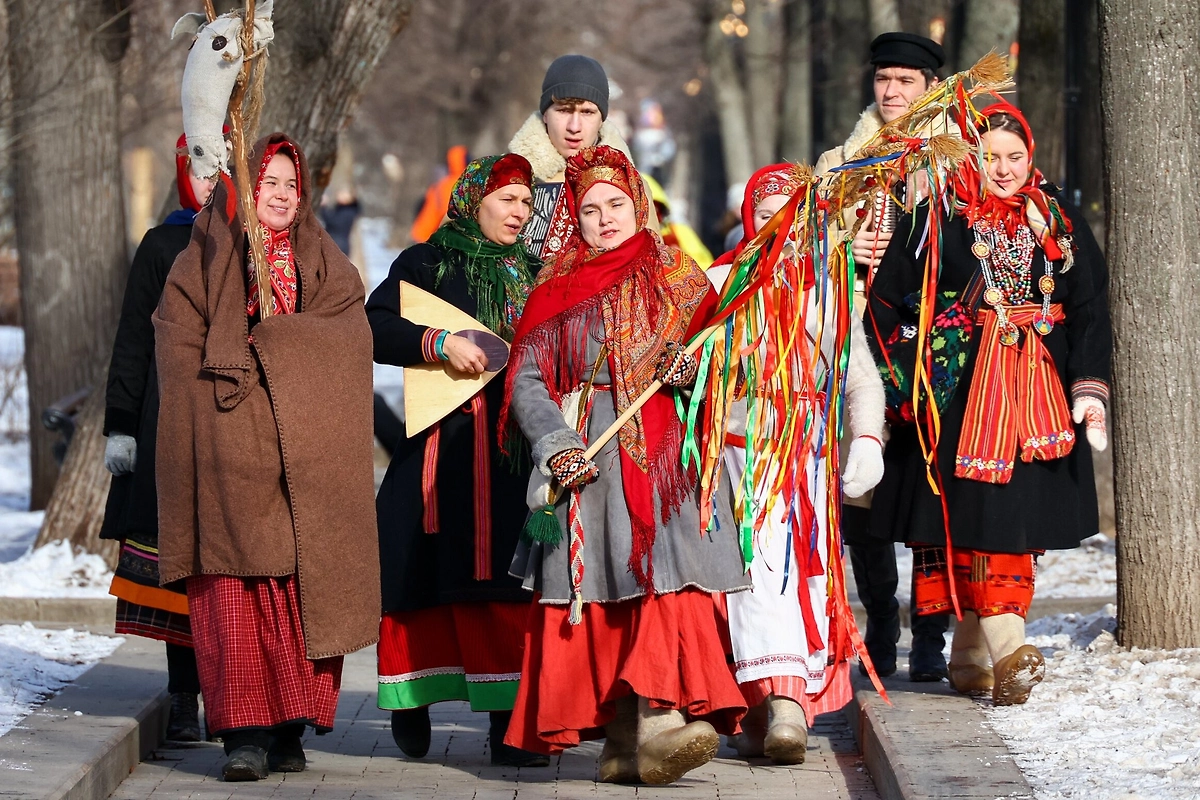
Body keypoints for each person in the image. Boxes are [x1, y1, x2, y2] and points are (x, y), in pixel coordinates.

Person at [501, 145, 749, 785]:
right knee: (608, 594)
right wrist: (554, 444)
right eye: (589, 209)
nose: (605, 218)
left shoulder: (681, 277)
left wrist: (693, 370)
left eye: (616, 204)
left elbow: (729, 367)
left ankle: (661, 723)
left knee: (673, 584)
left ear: (639, 204)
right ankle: (620, 738)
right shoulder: (556, 291)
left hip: (673, 462)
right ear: (574, 219)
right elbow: (528, 382)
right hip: (593, 461)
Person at [867, 102, 1111, 706]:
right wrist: (906, 376)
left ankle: (975, 649)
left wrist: (1089, 389)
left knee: (1009, 519)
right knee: (973, 518)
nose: (1003, 170)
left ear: (1031, 157)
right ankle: (1002, 647)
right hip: (957, 401)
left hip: (1036, 398)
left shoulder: (1059, 222)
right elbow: (885, 300)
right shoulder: (935, 220)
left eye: (1014, 157)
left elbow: (1087, 310)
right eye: (990, 157)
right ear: (971, 158)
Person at [153, 133, 380, 780]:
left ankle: (288, 729)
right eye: (268, 184)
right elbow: (176, 337)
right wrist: (227, 396)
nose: (281, 196)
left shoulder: (322, 259)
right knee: (233, 599)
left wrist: (277, 348)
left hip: (299, 457)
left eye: (290, 185)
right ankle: (243, 738)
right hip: (227, 452)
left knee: (292, 594)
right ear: (247, 191)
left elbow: (346, 332)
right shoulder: (205, 251)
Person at [367, 153, 548, 768]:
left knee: (503, 582)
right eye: (508, 200)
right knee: (416, 570)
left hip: (509, 456)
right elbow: (371, 326)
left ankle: (507, 726)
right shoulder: (426, 262)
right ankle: (410, 701)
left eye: (526, 202)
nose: (520, 213)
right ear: (476, 200)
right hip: (439, 452)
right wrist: (436, 341)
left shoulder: (533, 272)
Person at [707, 165, 886, 764]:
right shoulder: (720, 284)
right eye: (765, 211)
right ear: (746, 219)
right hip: (741, 459)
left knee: (805, 579)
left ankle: (780, 708)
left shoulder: (827, 290)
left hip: (809, 460)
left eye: (792, 211)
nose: (778, 223)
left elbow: (860, 375)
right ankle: (776, 707)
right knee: (758, 576)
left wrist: (868, 438)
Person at [815, 30, 952, 682]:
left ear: (930, 86)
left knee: (928, 497)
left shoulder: (959, 160)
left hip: (933, 348)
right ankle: (879, 614)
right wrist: (848, 249)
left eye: (905, 80)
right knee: (862, 496)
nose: (892, 91)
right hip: (863, 345)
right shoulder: (840, 160)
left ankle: (930, 632)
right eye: (883, 79)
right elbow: (807, 251)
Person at [100, 134, 217, 743]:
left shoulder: (258, 249)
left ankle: (238, 698)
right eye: (198, 172)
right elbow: (131, 343)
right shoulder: (162, 244)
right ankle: (182, 697)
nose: (209, 183)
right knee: (177, 572)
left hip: (230, 430)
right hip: (165, 423)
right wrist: (121, 424)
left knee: (226, 569)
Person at [509, 54, 652, 260]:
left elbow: (651, 268)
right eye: (564, 110)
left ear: (602, 119)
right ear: (545, 114)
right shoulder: (502, 179)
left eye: (587, 112)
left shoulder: (632, 187)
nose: (574, 127)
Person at [644, 174, 713, 268]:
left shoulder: (679, 231)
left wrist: (682, 261)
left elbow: (706, 265)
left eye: (655, 208)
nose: (651, 215)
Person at [411, 146, 468, 243]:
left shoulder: (445, 182)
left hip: (424, 233)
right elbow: (449, 214)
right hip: (428, 237)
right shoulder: (453, 183)